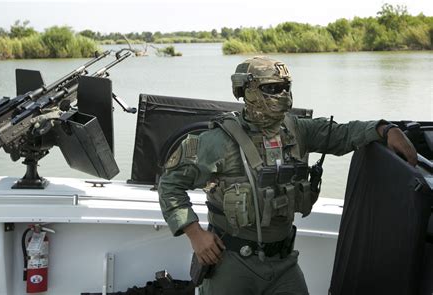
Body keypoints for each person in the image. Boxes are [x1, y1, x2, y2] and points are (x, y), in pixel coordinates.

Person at [158, 56, 418, 295]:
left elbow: (343, 135)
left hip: (283, 264)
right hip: (231, 263)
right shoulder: (217, 141)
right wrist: (195, 235)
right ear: (247, 91)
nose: (282, 94)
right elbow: (170, 184)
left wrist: (385, 129)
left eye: (285, 87)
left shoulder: (297, 131)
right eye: (272, 88)